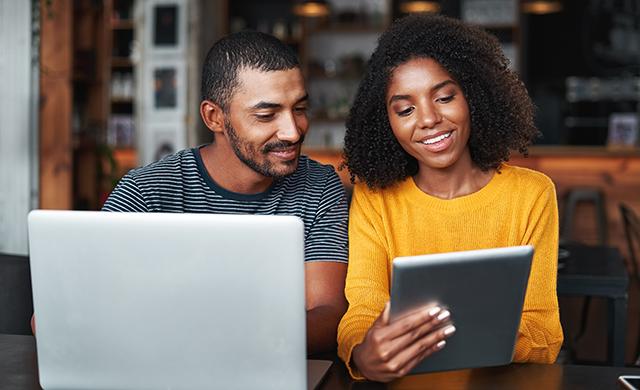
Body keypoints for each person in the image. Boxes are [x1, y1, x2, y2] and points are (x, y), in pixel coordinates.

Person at [336, 15, 563, 381]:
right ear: (386, 122)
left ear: (474, 95)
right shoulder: (376, 199)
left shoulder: (531, 194)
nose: (428, 119)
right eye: (405, 109)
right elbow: (363, 310)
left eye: (444, 97)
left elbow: (543, 335)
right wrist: (364, 352)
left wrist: (452, 339)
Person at [101, 31, 349, 355]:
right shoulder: (147, 191)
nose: (293, 130)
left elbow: (329, 315)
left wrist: (225, 343)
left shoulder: (319, 187)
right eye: (266, 115)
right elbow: (69, 311)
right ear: (214, 117)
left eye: (300, 108)